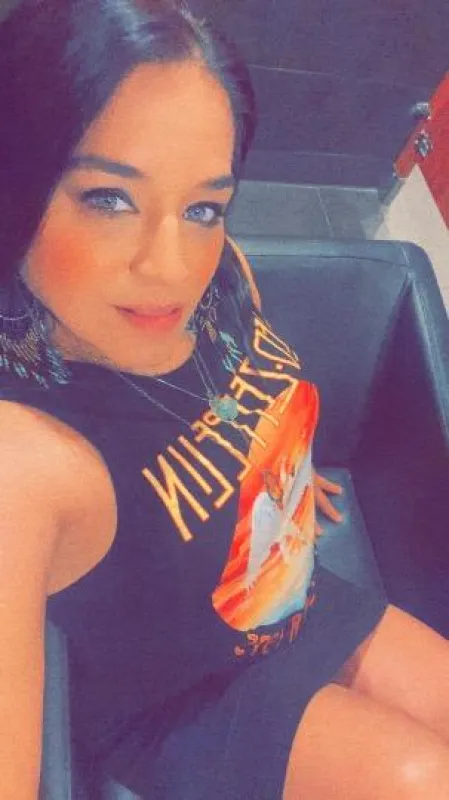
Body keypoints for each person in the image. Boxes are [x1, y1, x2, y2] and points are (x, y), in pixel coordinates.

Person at [0, 1, 448, 798]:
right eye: (108, 198)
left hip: (287, 591)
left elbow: (252, 389)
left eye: (203, 205)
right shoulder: (21, 459)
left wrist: (280, 470)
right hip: (187, 699)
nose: (171, 266)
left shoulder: (214, 274)